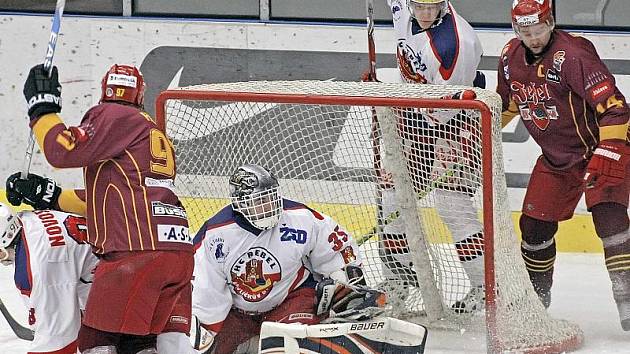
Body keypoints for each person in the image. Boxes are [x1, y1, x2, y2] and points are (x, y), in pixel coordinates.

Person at [17, 63, 196, 353]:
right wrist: (50, 195)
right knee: (137, 343)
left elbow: (62, 151)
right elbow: (111, 201)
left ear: (105, 90)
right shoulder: (151, 130)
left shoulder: (113, 114)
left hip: (136, 255)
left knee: (96, 341)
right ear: (139, 94)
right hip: (176, 255)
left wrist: (42, 110)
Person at [497, 0, 630, 330]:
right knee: (534, 228)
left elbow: (615, 107)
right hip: (558, 161)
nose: (534, 37)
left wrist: (610, 150)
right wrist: (472, 131)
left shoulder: (573, 54)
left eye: (539, 29)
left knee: (610, 217)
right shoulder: (509, 57)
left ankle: (627, 299)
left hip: (598, 149)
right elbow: (507, 105)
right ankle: (536, 306)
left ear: (551, 21)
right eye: (525, 31)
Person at [189, 164, 384, 353]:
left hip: (291, 299)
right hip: (237, 312)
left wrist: (345, 281)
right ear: (240, 202)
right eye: (260, 201)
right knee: (208, 347)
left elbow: (336, 246)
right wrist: (202, 324)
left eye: (271, 198)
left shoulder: (300, 218)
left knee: (293, 343)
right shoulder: (215, 235)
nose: (269, 206)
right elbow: (207, 291)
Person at [378, 0, 486, 313]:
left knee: (453, 207)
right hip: (416, 114)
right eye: (418, 7)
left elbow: (442, 110)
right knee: (392, 200)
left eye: (432, 8)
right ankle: (402, 277)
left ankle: (483, 287)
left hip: (456, 121)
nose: (424, 15)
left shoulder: (456, 45)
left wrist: (403, 119)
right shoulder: (404, 5)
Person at [0, 202, 98, 354]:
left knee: (100, 344)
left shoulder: (37, 271)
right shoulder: (27, 220)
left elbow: (58, 347)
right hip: (113, 266)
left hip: (126, 287)